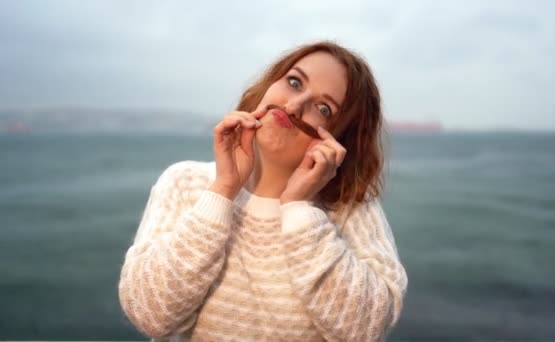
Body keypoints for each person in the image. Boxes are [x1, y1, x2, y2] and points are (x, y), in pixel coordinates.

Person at [118, 41, 408, 342]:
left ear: (337, 142)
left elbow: (367, 328)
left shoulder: (351, 209)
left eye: (324, 108)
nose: (294, 106)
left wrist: (298, 210)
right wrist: (222, 192)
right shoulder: (184, 183)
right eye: (294, 82)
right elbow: (151, 316)